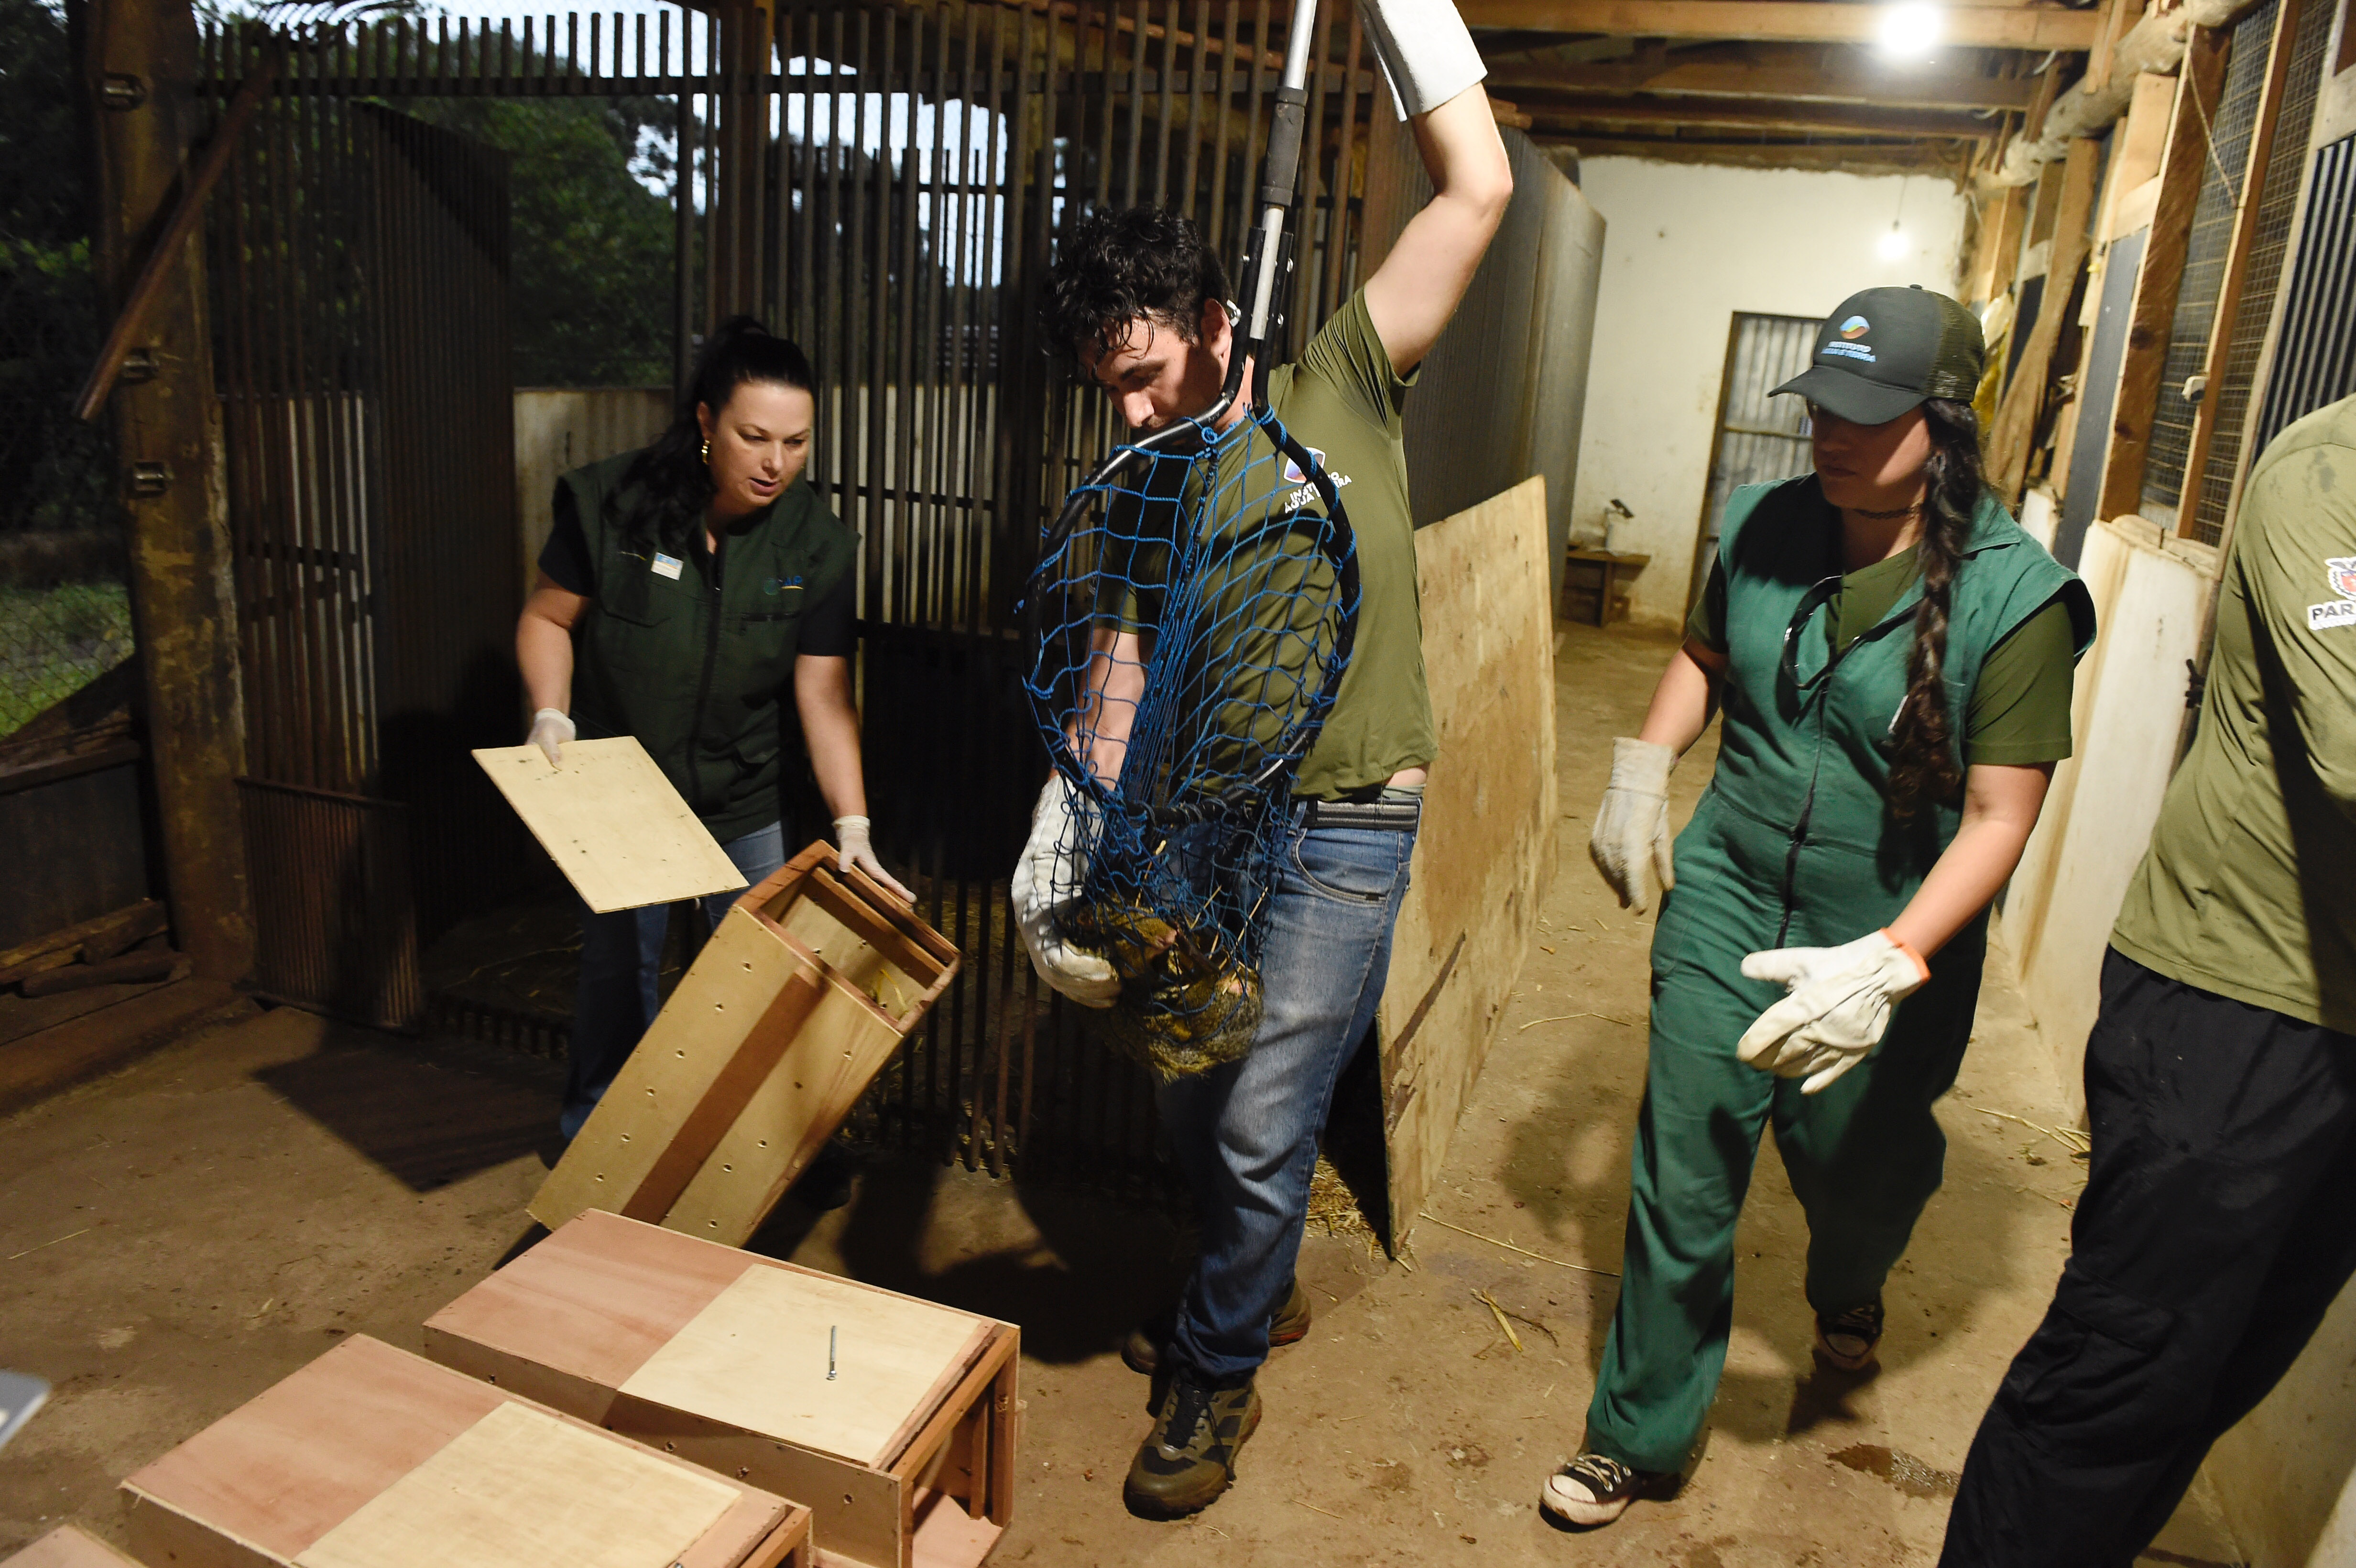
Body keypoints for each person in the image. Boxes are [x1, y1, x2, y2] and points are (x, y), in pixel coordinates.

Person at [1012, 0, 1513, 1520]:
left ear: (1220, 327)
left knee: (1262, 1115)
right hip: (1198, 827)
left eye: (1154, 369)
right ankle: (1262, 1271)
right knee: (1189, 1079)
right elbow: (1119, 663)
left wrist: (1407, 15)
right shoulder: (1135, 491)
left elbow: (1475, 186)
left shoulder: (1341, 388)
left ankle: (1215, 1375)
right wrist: (1072, 833)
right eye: (1110, 381)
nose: (1136, 404)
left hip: (1349, 820)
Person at [1547, 286, 2095, 1528]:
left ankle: (1853, 1282)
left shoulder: (2014, 600)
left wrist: (1893, 960)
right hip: (1732, 885)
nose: (1830, 435)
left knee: (1860, 1173)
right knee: (1683, 1172)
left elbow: (2005, 815)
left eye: (1869, 414)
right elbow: (1703, 656)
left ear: (1947, 427)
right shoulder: (1761, 522)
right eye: (1821, 409)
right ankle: (1636, 1431)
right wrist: (1643, 771)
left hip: (1891, 921)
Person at [1939, 393, 2356, 1566]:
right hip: (2236, 1000)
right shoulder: (2332, 474)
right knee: (2118, 1375)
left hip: (2338, 1020)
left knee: (2224, 1368)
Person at [514, 316, 910, 1142]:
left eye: (797, 443)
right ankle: (604, 1136)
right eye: (754, 437)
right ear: (705, 422)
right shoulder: (615, 503)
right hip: (623, 787)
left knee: (762, 975)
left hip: (743, 793)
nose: (776, 463)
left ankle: (780, 1145)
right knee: (619, 971)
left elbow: (825, 693)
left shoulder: (819, 544)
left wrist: (854, 822)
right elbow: (547, 619)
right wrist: (551, 710)